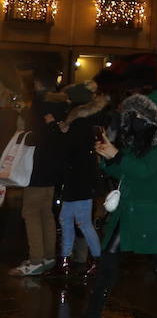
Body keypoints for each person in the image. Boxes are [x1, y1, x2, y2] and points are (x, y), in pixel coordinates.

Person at [76, 95, 157, 318]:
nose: (137, 120)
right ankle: (91, 317)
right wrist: (106, 156)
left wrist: (117, 156)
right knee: (107, 265)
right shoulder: (138, 142)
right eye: (134, 115)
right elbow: (124, 171)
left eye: (143, 116)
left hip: (153, 216)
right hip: (129, 214)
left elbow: (144, 172)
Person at [11, 76, 66, 277]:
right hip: (52, 171)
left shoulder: (39, 105)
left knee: (31, 213)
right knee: (46, 213)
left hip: (36, 169)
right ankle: (48, 257)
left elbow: (36, 137)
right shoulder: (62, 105)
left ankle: (35, 260)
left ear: (40, 83)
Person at [54, 88, 107, 277]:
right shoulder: (83, 122)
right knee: (68, 220)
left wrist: (62, 132)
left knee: (81, 222)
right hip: (79, 181)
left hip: (78, 181)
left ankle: (96, 260)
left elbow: (69, 153)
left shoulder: (79, 123)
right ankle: (66, 260)